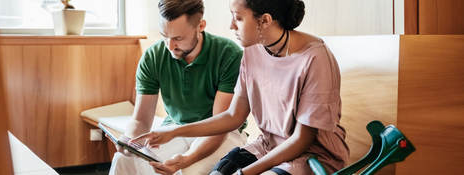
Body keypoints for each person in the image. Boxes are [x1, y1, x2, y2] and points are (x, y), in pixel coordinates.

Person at [132, 0, 350, 174]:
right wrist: (173, 132)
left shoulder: (315, 58)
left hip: (313, 158)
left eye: (238, 18)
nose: (231, 25)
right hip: (267, 147)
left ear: (264, 20)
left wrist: (245, 173)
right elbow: (234, 116)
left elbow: (302, 140)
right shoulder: (253, 51)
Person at [107, 0, 247, 174]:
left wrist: (186, 159)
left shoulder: (229, 55)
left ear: (201, 26)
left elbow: (219, 126)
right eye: (164, 36)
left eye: (178, 38)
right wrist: (129, 141)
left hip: (222, 133)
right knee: (124, 160)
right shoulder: (153, 56)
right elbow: (141, 120)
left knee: (188, 170)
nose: (169, 46)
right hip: (173, 129)